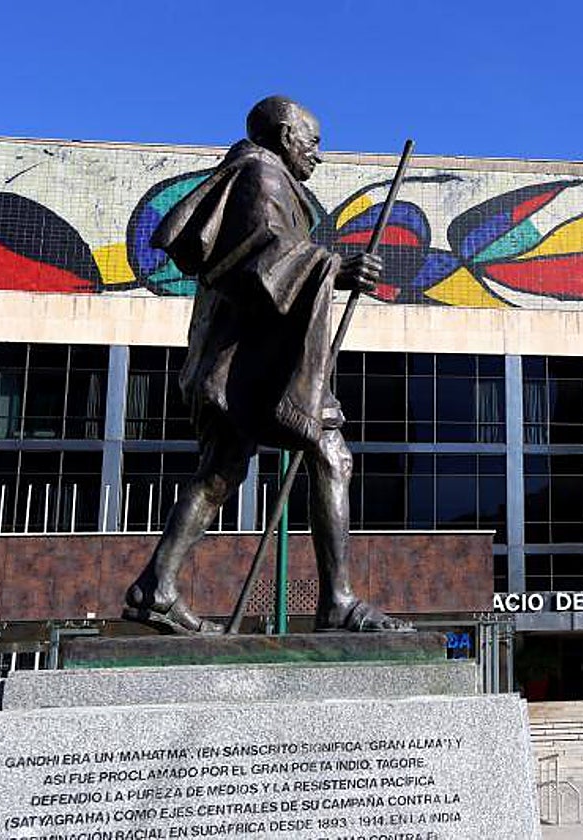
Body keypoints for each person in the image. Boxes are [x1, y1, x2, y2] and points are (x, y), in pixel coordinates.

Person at [123, 96, 407, 634]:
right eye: (313, 140)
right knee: (326, 454)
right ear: (284, 134)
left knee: (224, 470)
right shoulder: (260, 174)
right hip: (245, 363)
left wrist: (329, 271)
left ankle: (156, 588)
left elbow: (269, 262)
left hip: (244, 358)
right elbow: (262, 261)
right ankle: (337, 602)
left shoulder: (260, 176)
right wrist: (335, 268)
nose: (319, 155)